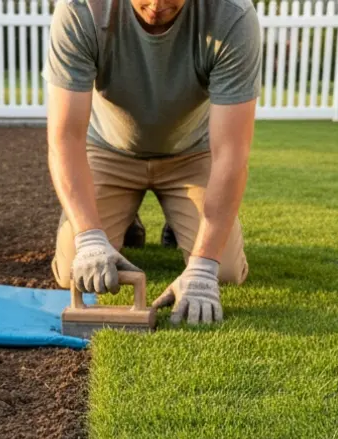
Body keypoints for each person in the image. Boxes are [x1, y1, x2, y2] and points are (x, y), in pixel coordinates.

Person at [43, 0, 261, 325]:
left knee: (224, 269)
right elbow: (66, 139)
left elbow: (232, 153)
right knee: (73, 269)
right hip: (109, 150)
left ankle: (177, 219)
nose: (157, 6)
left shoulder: (232, 16)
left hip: (190, 153)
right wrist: (89, 238)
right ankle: (126, 221)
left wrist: (203, 266)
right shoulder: (81, 9)